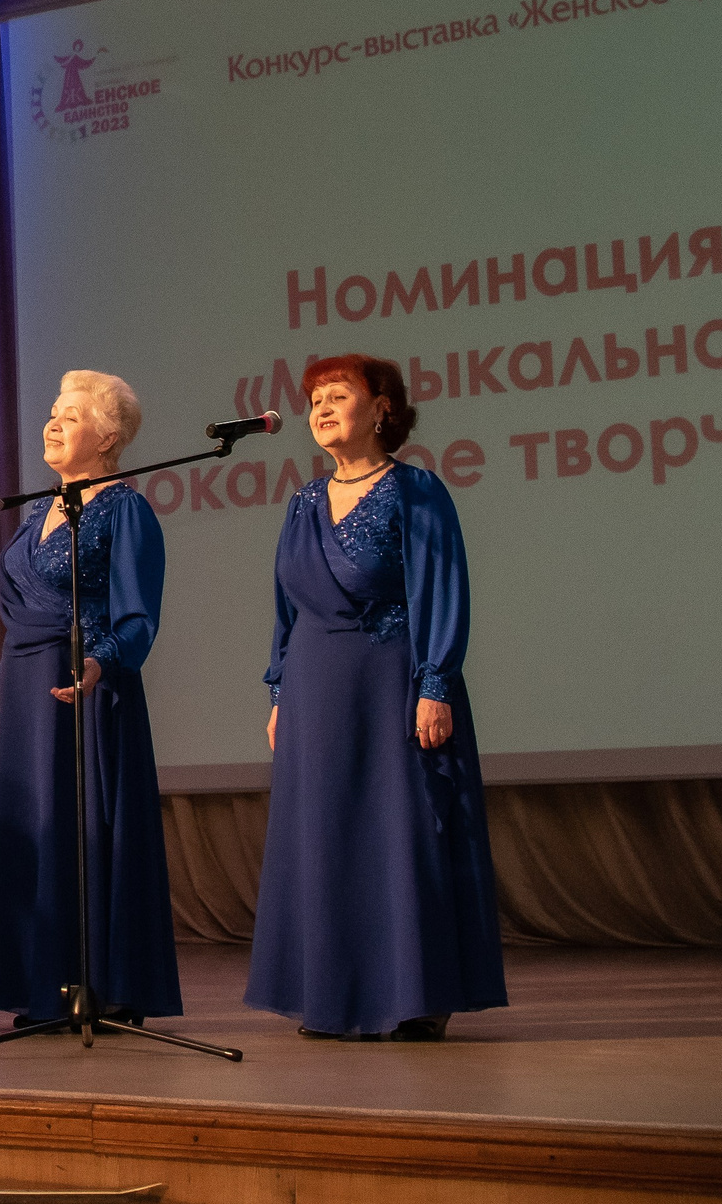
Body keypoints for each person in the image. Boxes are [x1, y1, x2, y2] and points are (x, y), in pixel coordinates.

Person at [245, 354, 506, 1041]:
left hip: (392, 679)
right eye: (315, 399)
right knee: (325, 836)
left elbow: (439, 589)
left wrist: (435, 681)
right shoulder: (301, 503)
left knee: (402, 829)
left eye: (340, 394)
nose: (323, 407)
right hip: (314, 687)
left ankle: (414, 995)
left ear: (382, 408)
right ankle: (333, 993)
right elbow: (286, 605)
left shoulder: (415, 491)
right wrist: (278, 690)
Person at [0, 370, 181, 1027]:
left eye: (72, 414)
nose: (53, 422)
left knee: (79, 824)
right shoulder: (35, 515)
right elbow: (19, 616)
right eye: (52, 412)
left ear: (108, 437)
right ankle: (41, 979)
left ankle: (93, 979)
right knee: (30, 830)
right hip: (27, 690)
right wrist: (2, 693)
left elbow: (138, 615)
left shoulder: (125, 508)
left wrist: (99, 661)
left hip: (84, 687)